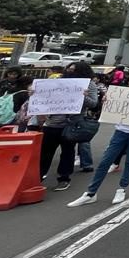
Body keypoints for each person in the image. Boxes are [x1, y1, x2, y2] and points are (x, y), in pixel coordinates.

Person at [67, 70, 129, 206]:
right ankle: (91, 192)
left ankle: (121, 189)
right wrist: (107, 99)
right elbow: (115, 107)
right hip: (121, 129)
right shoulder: (125, 91)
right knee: (105, 160)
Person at [40, 62, 99, 192]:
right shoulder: (58, 82)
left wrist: (83, 96)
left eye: (73, 70)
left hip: (71, 124)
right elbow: (44, 96)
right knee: (45, 152)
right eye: (69, 69)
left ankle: (64, 178)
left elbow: (94, 103)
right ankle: (39, 177)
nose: (69, 71)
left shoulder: (89, 85)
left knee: (67, 152)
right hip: (52, 123)